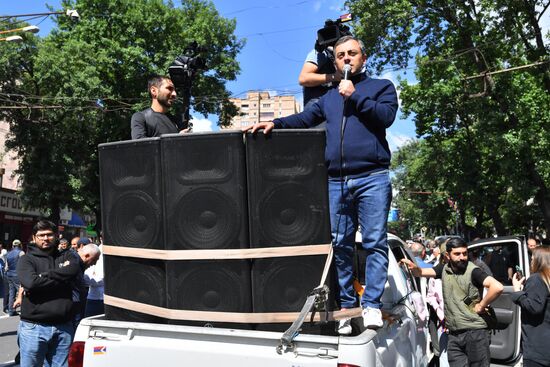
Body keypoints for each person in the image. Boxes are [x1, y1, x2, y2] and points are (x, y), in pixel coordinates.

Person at [244, 35, 399, 333]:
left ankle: (372, 306)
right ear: (335, 61)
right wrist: (275, 123)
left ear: (363, 59)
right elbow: (305, 118)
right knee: (340, 245)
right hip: (337, 180)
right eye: (341, 55)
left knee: (374, 243)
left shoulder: (380, 87)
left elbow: (387, 116)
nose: (346, 59)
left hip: (372, 178)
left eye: (352, 53)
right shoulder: (328, 98)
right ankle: (346, 306)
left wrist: (354, 95)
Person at [402, 237, 504, 367]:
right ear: (447, 255)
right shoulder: (443, 269)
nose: (462, 257)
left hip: (475, 333)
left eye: (464, 253)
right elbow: (421, 272)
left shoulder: (474, 271)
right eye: (457, 254)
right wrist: (414, 268)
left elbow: (497, 287)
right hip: (454, 335)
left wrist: (481, 305)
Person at [16, 220, 85, 367]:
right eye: (41, 235)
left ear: (56, 236)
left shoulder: (68, 256)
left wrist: (42, 277)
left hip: (64, 328)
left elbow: (72, 271)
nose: (45, 238)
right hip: (33, 328)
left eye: (49, 235)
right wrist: (61, 277)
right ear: (34, 238)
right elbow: (31, 283)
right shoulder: (26, 260)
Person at [511, 247, 550, 367]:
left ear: (539, 261)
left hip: (537, 348)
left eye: (532, 259)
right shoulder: (545, 279)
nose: (531, 262)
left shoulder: (536, 279)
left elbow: (534, 307)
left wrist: (517, 292)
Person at [131, 75, 186, 139]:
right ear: (154, 91)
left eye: (174, 90)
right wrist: (176, 140)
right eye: (169, 88)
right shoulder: (141, 117)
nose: (175, 94)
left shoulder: (175, 120)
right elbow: (140, 147)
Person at [6, 239, 25, 316]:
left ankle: (11, 310)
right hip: (17, 275)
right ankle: (24, 311)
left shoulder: (8, 253)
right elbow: (24, 264)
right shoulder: (21, 252)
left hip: (9, 274)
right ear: (20, 245)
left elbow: (6, 267)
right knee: (22, 292)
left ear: (13, 245)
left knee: (11, 293)